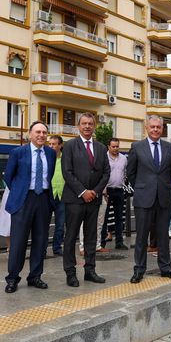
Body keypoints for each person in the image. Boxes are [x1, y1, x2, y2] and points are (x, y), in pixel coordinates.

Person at [126, 115, 171, 283]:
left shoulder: (169, 148)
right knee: (141, 236)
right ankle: (139, 270)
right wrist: (143, 187)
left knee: (163, 235)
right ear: (146, 128)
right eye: (152, 127)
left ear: (162, 128)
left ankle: (165, 267)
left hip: (163, 198)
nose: (156, 129)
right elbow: (131, 173)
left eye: (158, 127)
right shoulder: (136, 147)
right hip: (144, 198)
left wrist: (160, 186)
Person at [4, 121, 56, 293]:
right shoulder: (18, 152)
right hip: (23, 200)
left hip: (43, 200)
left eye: (44, 132)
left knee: (40, 241)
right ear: (30, 134)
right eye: (37, 132)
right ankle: (12, 278)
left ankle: (35, 276)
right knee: (18, 242)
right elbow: (9, 177)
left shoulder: (50, 153)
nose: (41, 135)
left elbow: (50, 174)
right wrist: (20, 191)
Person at [62, 112, 111, 287]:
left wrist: (96, 192)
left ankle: (90, 270)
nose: (87, 126)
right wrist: (83, 191)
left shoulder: (100, 147)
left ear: (94, 126)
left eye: (90, 123)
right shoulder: (69, 146)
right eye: (84, 123)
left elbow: (106, 172)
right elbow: (67, 172)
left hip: (94, 200)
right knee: (71, 237)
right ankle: (70, 272)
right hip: (75, 199)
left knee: (91, 237)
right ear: (78, 126)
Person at [102, 137, 128, 250]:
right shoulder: (104, 158)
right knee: (104, 218)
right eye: (113, 146)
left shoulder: (123, 158)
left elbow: (125, 172)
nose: (116, 148)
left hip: (119, 190)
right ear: (109, 146)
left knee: (119, 217)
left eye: (117, 146)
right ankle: (101, 242)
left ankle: (119, 242)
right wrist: (103, 189)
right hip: (107, 191)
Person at [48, 135, 65, 256]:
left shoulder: (66, 159)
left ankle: (57, 248)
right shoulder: (46, 158)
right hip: (48, 195)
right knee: (43, 225)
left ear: (60, 145)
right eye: (50, 144)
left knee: (60, 225)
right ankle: (42, 249)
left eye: (54, 144)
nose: (51, 146)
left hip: (63, 196)